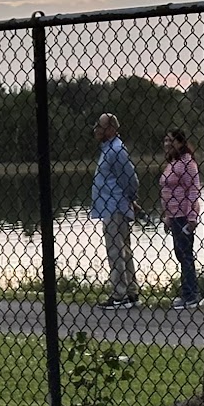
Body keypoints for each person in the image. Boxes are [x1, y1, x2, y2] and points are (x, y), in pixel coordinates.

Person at [91, 113, 139, 307]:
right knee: (123, 249)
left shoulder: (116, 150)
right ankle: (131, 291)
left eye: (100, 126)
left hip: (115, 206)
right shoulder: (109, 149)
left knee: (115, 249)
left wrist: (131, 198)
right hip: (111, 205)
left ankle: (120, 294)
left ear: (111, 129)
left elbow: (130, 178)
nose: (96, 129)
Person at [159, 128, 202, 309]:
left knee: (186, 254)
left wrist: (192, 217)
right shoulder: (173, 162)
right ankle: (187, 291)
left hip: (184, 216)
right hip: (174, 216)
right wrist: (168, 216)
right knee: (180, 254)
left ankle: (191, 294)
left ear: (180, 142)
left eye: (171, 140)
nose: (167, 144)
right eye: (166, 140)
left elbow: (193, 189)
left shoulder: (187, 163)